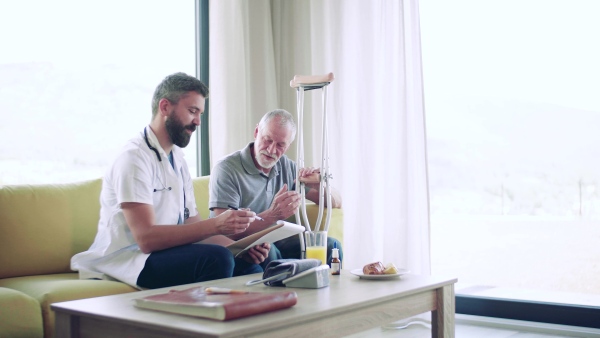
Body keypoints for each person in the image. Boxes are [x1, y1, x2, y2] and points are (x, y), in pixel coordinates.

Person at [71, 72, 270, 289]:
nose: (198, 122)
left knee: (248, 264)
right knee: (217, 259)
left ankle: (248, 322)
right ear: (165, 107)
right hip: (129, 258)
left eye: (200, 113)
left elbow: (192, 225)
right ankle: (201, 321)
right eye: (192, 111)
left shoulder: (178, 159)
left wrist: (240, 247)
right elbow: (146, 239)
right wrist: (216, 225)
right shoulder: (134, 159)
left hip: (165, 252)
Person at [209, 109, 343, 266]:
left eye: (280, 145)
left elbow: (336, 201)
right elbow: (226, 230)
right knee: (269, 251)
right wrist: (273, 215)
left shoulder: (288, 167)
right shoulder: (227, 168)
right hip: (238, 244)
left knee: (331, 246)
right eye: (267, 140)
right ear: (256, 131)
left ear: (288, 146)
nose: (271, 150)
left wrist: (320, 186)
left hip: (275, 241)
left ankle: (321, 289)